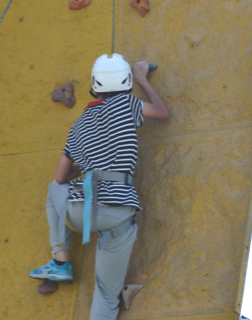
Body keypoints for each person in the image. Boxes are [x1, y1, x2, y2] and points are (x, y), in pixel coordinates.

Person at [29, 53, 169, 320]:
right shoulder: (128, 103)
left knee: (54, 190)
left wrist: (90, 164)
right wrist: (143, 80)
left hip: (81, 210)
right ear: (127, 83)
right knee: (106, 294)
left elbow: (60, 178)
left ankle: (61, 260)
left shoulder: (78, 124)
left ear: (94, 87)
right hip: (117, 212)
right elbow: (162, 112)